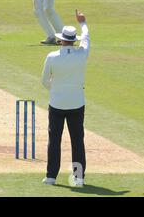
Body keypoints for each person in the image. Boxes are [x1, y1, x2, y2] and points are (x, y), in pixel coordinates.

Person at [41, 10, 90, 187]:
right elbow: (86, 39)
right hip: (77, 103)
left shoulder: (52, 56)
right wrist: (83, 23)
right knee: (77, 141)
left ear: (62, 40)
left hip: (57, 103)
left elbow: (44, 80)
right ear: (72, 40)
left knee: (54, 140)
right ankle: (78, 179)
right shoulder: (82, 54)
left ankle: (51, 177)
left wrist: (55, 90)